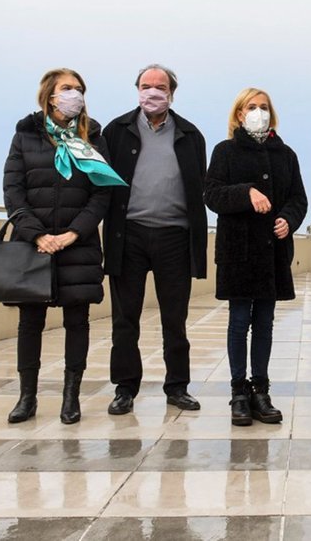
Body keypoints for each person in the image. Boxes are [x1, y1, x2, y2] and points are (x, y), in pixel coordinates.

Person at [2, 68, 125, 425]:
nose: (75, 94)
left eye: (80, 89)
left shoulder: (92, 138)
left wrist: (74, 232)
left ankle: (71, 397)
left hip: (78, 244)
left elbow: (102, 191)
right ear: (50, 96)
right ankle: (27, 396)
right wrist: (35, 233)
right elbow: (13, 189)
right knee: (30, 322)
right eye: (67, 88)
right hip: (33, 244)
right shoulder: (25, 136)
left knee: (78, 321)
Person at [102, 64, 208, 415]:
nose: (152, 92)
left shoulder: (191, 135)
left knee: (174, 319)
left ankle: (177, 386)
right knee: (125, 318)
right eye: (145, 86)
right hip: (128, 234)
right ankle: (124, 388)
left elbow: (200, 189)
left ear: (171, 93)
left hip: (175, 236)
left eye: (159, 86)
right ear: (137, 90)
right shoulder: (116, 131)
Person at [205, 88, 307, 426]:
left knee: (264, 322)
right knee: (238, 322)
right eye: (252, 107)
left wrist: (289, 220)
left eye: (264, 107)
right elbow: (212, 194)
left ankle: (260, 389)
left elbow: (298, 198)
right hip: (238, 251)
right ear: (239, 114)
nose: (259, 112)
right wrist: (246, 192)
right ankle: (238, 392)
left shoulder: (286, 154)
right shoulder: (225, 151)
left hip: (272, 253)